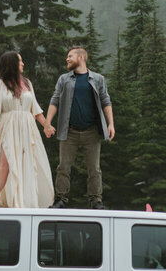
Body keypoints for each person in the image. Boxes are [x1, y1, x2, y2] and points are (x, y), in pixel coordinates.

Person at [44, 45, 114, 209]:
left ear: (81, 57)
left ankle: (96, 201)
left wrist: (111, 124)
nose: (67, 59)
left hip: (92, 132)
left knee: (94, 169)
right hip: (69, 131)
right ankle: (60, 200)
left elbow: (106, 101)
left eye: (70, 56)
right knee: (63, 167)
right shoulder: (64, 79)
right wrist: (48, 122)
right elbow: (55, 100)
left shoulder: (98, 79)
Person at [0, 51, 55, 208]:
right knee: (5, 162)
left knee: (27, 163)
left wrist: (46, 126)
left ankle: (25, 200)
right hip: (8, 125)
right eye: (20, 61)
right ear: (11, 64)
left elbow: (35, 109)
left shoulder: (27, 83)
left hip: (26, 127)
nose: (23, 64)